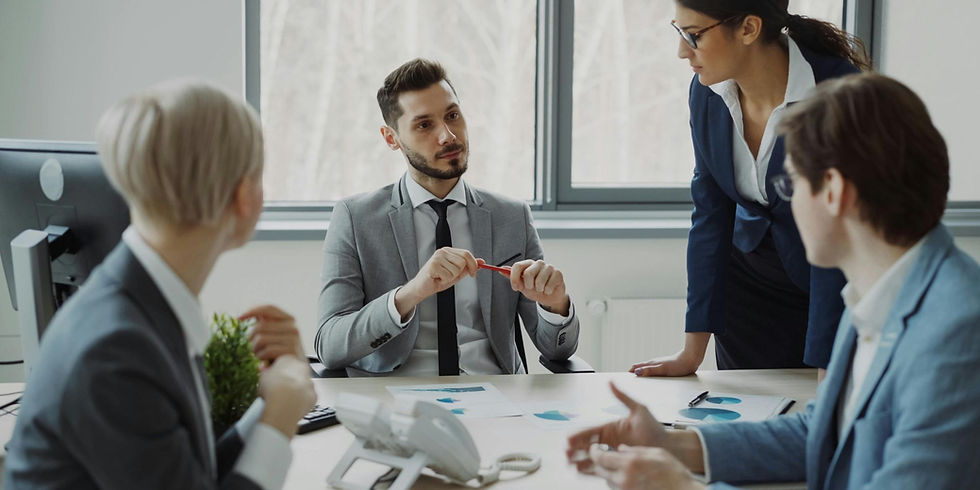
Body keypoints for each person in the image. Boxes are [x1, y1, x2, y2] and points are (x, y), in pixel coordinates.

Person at [567, 72, 980, 489]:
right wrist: (674, 446)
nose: (789, 202)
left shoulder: (957, 332)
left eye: (791, 183)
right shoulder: (875, 294)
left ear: (833, 191)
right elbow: (822, 436)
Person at [3, 80, 317, 489]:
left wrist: (276, 402)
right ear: (244, 196)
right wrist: (279, 418)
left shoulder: (141, 305)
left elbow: (187, 475)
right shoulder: (117, 349)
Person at [631, 0, 870, 378]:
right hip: (749, 292)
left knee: (822, 419)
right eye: (678, 32)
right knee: (747, 420)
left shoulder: (840, 95)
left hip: (830, 288)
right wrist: (692, 352)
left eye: (693, 36)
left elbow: (840, 235)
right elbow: (710, 215)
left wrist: (827, 362)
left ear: (748, 29)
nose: (681, 51)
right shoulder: (707, 92)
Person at [315, 58, 579, 376]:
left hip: (497, 400)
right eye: (424, 125)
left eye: (452, 116)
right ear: (391, 138)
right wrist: (412, 292)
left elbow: (558, 350)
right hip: (398, 402)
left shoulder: (511, 216)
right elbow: (330, 346)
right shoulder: (356, 219)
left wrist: (555, 306)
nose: (448, 136)